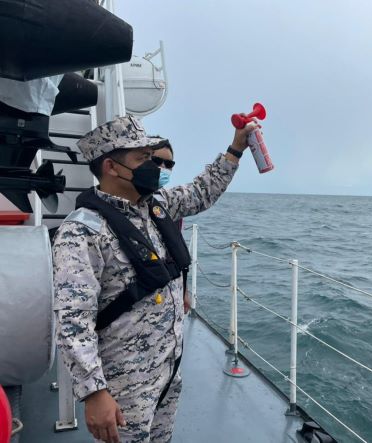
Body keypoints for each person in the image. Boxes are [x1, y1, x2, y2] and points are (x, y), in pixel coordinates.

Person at [52, 114, 256, 443]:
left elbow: (201, 192)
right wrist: (94, 392)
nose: (153, 166)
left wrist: (236, 148)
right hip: (125, 384)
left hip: (167, 367)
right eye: (142, 158)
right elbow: (73, 320)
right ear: (111, 167)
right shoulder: (81, 232)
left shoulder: (154, 206)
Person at [150, 138, 192, 314]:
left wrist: (184, 290)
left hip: (172, 291)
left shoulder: (169, 203)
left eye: (168, 164)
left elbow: (175, 250)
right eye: (156, 161)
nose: (162, 167)